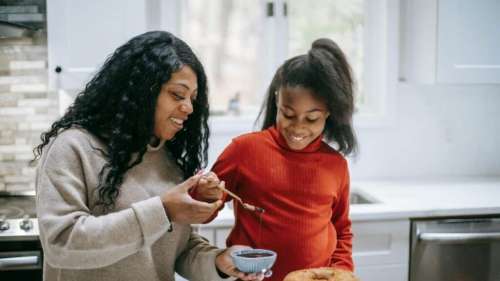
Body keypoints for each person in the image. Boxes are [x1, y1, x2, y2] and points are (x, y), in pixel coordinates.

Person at [33, 31, 261, 281]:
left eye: (192, 98)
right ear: (141, 91)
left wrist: (218, 261)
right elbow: (62, 243)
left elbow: (176, 249)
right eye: (177, 94)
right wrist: (163, 210)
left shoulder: (169, 161)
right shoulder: (73, 148)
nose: (189, 108)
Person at [203, 38, 358, 281]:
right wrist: (206, 194)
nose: (298, 127)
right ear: (277, 100)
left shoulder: (336, 165)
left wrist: (341, 270)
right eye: (288, 114)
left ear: (328, 113)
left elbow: (341, 229)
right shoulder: (244, 150)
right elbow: (203, 211)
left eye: (312, 119)